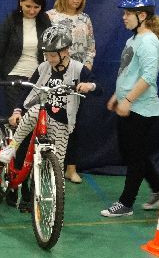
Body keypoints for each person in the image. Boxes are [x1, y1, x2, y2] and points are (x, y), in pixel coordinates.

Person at [0, 26, 98, 191]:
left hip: (62, 123)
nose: (49, 59)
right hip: (41, 115)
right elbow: (27, 90)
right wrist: (17, 110)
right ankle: (11, 148)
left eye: (52, 55)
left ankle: (51, 195)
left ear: (65, 51)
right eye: (46, 55)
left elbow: (98, 88)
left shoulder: (77, 68)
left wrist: (89, 85)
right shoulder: (43, 68)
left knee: (55, 165)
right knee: (36, 110)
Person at [99, 0, 159, 218]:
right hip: (129, 104)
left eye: (129, 13)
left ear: (142, 16)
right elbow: (128, 72)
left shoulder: (149, 41)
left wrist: (128, 100)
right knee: (133, 153)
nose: (124, 16)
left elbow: (148, 76)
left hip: (141, 109)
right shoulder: (134, 39)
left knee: (135, 156)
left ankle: (126, 203)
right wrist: (116, 96)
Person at [0, 0, 52, 211]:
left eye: (37, 7)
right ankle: (15, 185)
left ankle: (29, 190)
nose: (32, 11)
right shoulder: (10, 21)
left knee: (37, 135)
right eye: (28, 6)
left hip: (38, 81)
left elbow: (52, 52)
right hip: (14, 79)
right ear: (20, 3)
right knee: (20, 130)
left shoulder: (45, 21)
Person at [47, 0, 97, 184]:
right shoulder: (50, 16)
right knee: (53, 121)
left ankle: (71, 168)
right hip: (56, 75)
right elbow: (44, 47)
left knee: (73, 122)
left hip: (78, 77)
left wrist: (86, 71)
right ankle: (51, 165)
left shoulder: (85, 18)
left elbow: (90, 48)